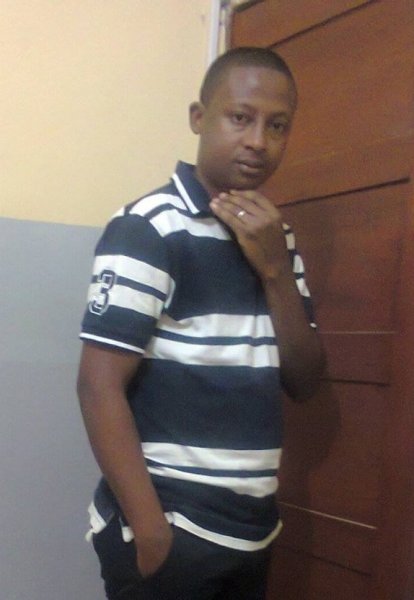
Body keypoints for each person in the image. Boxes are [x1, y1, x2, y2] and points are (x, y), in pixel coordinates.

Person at [77, 46, 324, 600]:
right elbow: (97, 385)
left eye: (277, 125)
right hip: (173, 531)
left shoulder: (277, 238)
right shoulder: (149, 228)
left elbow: (305, 381)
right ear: (199, 118)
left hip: (253, 532)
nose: (258, 140)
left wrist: (275, 271)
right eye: (240, 117)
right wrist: (152, 534)